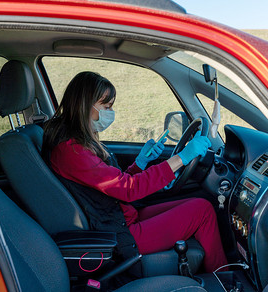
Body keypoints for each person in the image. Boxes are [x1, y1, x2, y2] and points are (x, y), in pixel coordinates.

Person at [42, 71, 227, 273]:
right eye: (106, 106)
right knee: (202, 211)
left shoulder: (77, 143)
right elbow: (130, 189)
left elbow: (112, 183)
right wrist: (182, 157)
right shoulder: (72, 151)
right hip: (119, 233)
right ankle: (224, 278)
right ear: (86, 105)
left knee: (200, 206)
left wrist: (140, 163)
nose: (110, 112)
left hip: (120, 216)